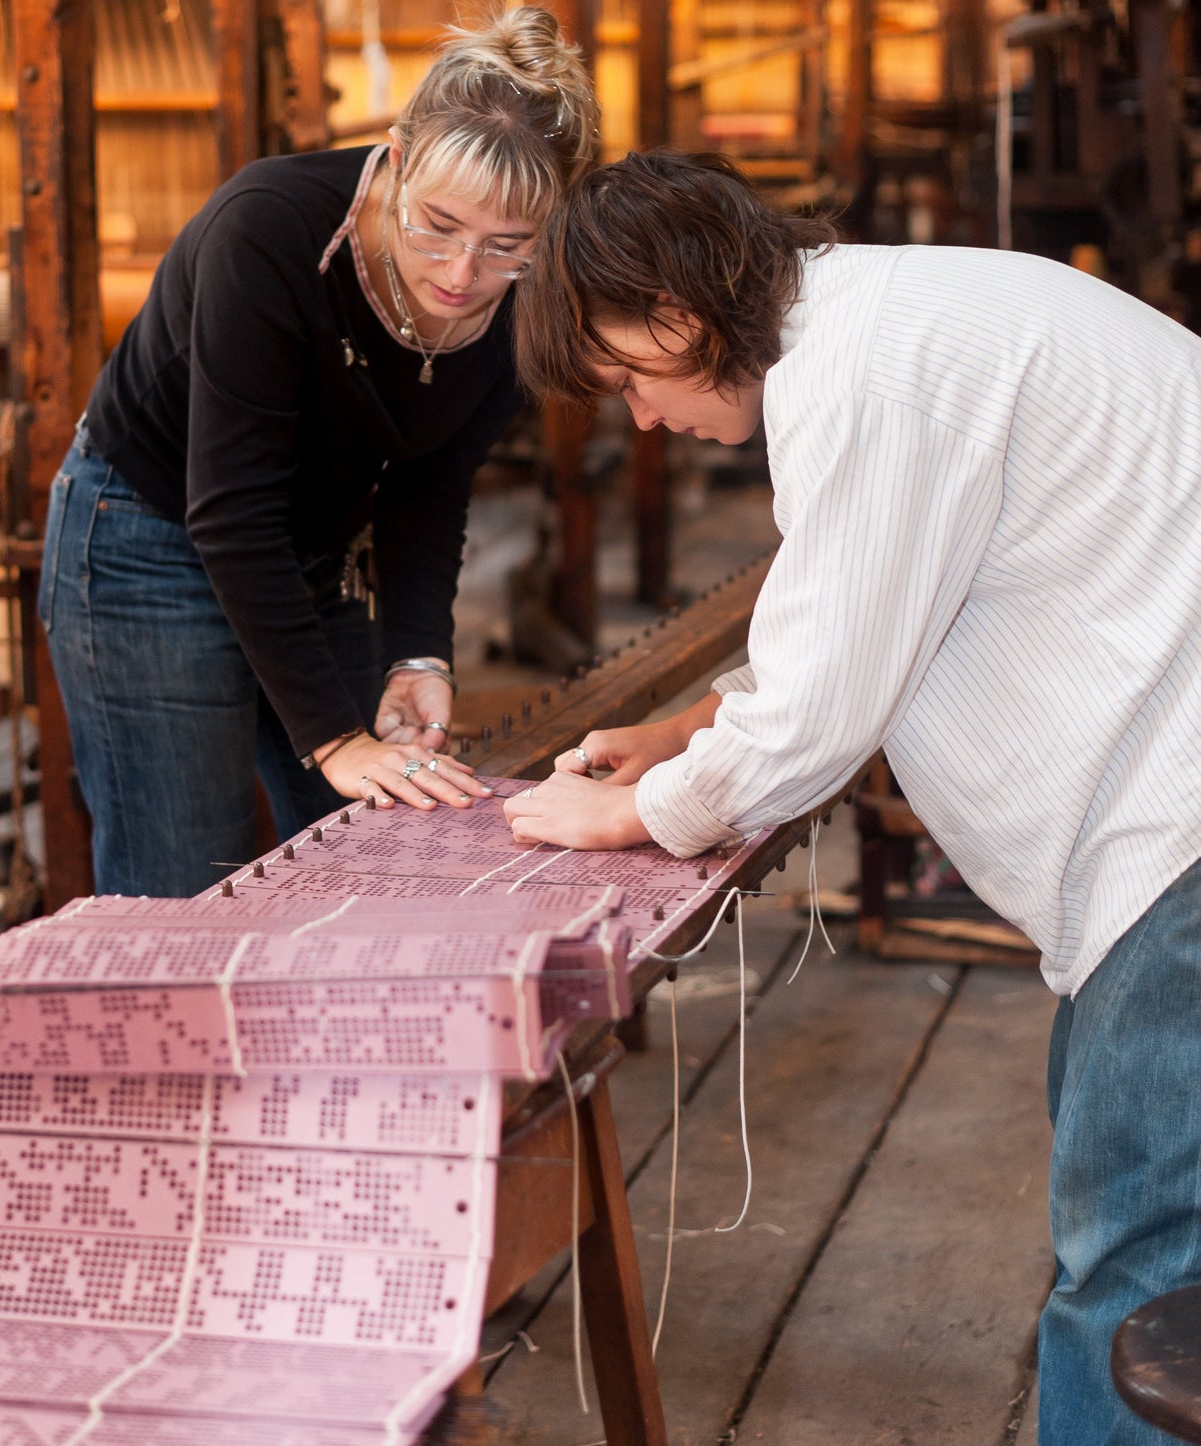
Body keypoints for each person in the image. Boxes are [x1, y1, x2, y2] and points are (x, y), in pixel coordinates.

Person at [504, 148, 1201, 1445]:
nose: (643, 419)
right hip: (1168, 814)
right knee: (1139, 1215)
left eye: (630, 380)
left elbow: (824, 706)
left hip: (1181, 824)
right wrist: (684, 730)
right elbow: (852, 604)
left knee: (1138, 1264)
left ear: (676, 317)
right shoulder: (874, 319)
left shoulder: (862, 369)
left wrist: (639, 814)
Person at [37, 8, 598, 897]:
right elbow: (230, 509)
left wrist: (419, 656)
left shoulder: (535, 297)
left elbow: (431, 479)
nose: (460, 275)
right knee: (189, 876)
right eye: (437, 226)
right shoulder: (268, 228)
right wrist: (336, 739)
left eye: (505, 248)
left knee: (368, 849)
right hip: (150, 533)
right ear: (399, 160)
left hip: (310, 549)